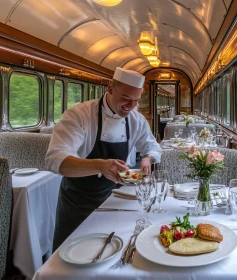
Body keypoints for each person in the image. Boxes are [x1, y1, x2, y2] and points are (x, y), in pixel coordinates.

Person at [46, 67, 161, 251]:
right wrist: (99, 165)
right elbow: (54, 159)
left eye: (136, 101)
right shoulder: (80, 115)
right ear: (110, 90)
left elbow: (153, 147)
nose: (130, 106)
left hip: (116, 199)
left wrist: (148, 159)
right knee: (68, 259)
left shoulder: (136, 120)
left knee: (110, 250)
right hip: (78, 201)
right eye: (125, 98)